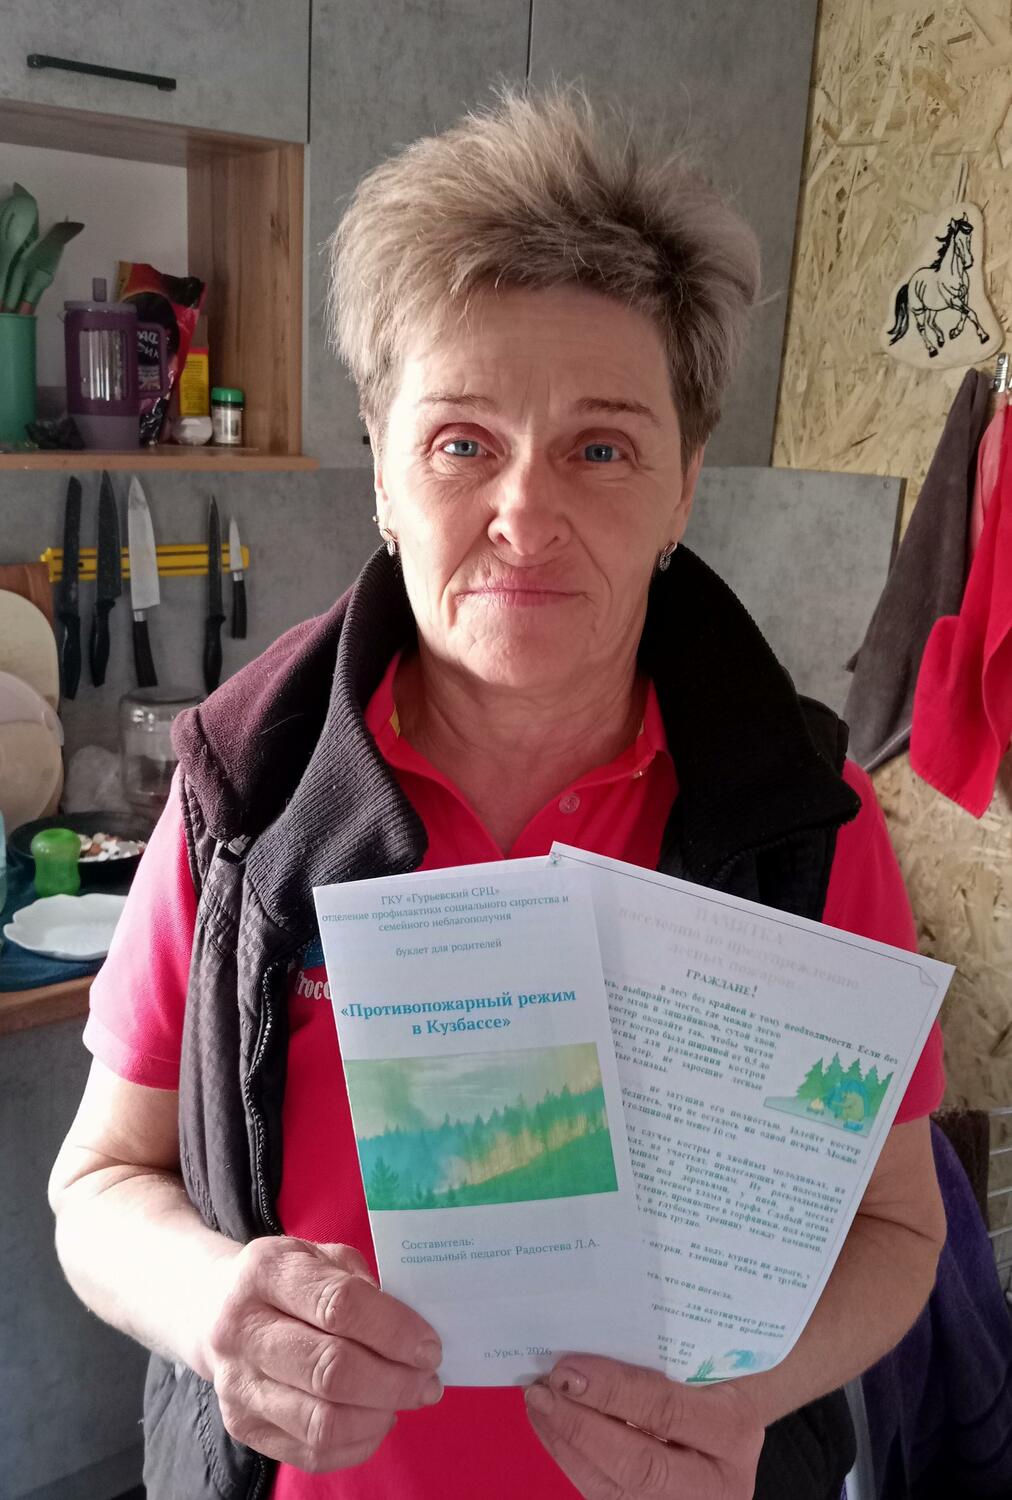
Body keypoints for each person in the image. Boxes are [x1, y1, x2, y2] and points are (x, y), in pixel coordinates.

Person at [48, 87, 946, 1500]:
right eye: (463, 441)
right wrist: (212, 1305)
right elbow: (100, 1181)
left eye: (602, 448)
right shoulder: (247, 792)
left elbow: (899, 1229)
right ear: (384, 472)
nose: (525, 514)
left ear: (683, 490)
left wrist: (743, 1400)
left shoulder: (808, 820)